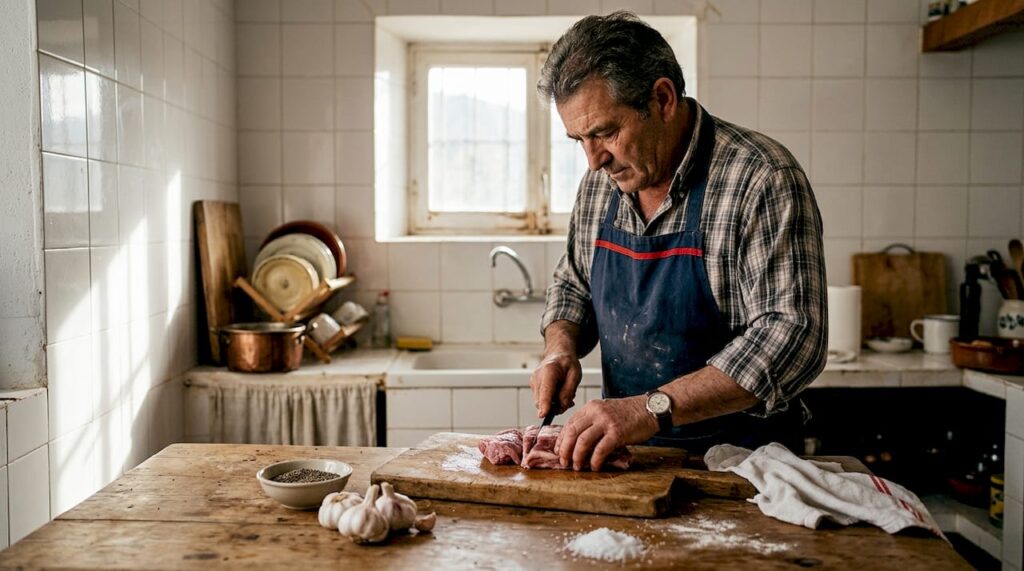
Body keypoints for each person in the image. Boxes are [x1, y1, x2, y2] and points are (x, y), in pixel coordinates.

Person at [531, 12, 828, 472]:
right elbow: (573, 285)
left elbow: (793, 336)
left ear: (663, 99)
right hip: (630, 465)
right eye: (579, 140)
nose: (593, 161)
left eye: (606, 132)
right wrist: (560, 346)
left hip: (746, 467)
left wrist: (649, 409)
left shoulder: (760, 178)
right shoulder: (602, 183)